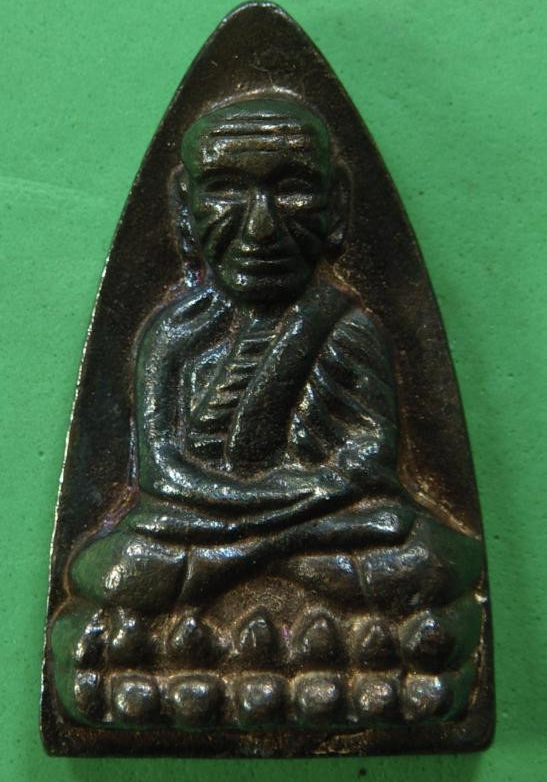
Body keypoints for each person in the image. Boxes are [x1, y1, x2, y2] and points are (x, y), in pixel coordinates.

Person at [52, 98, 483, 727]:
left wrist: (266, 524)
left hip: (316, 529)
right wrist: (277, 515)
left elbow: (370, 460)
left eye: (294, 191)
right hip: (222, 527)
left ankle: (182, 650)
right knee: (115, 569)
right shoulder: (172, 335)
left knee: (422, 559)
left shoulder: (343, 324)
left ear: (337, 207)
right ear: (184, 210)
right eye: (226, 190)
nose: (260, 228)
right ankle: (356, 657)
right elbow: (161, 476)